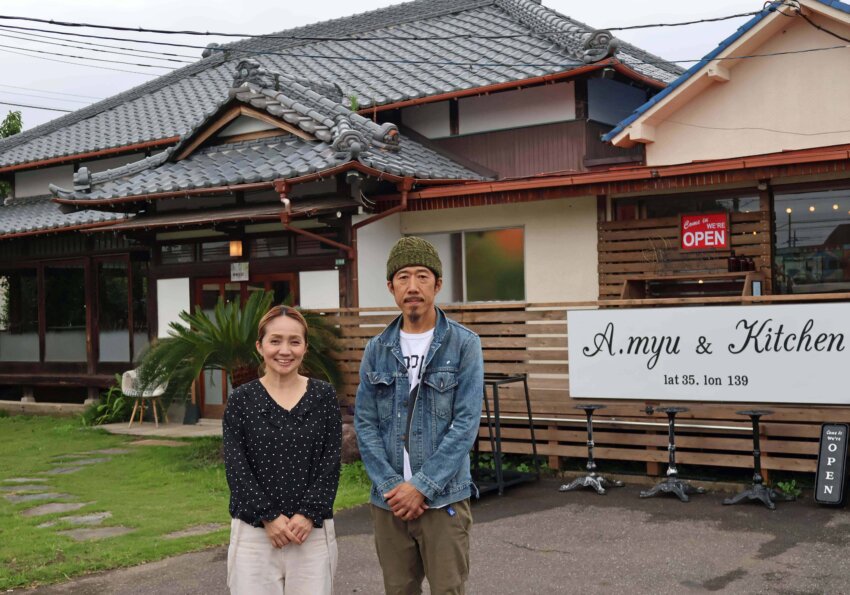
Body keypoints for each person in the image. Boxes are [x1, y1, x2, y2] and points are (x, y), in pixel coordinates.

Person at [354, 236, 484, 595]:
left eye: (423, 276)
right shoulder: (376, 349)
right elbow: (364, 423)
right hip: (389, 503)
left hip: (444, 500)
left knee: (448, 590)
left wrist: (422, 487)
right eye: (403, 277)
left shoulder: (464, 344)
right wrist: (393, 487)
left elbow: (465, 424)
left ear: (438, 284)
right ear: (391, 287)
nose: (413, 286)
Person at [223, 305, 342, 595]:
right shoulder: (241, 400)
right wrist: (269, 517)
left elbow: (331, 463)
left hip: (310, 534)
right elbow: (236, 467)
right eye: (275, 340)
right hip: (254, 534)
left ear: (305, 347)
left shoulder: (323, 396)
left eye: (294, 341)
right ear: (260, 346)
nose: (284, 350)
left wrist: (307, 514)